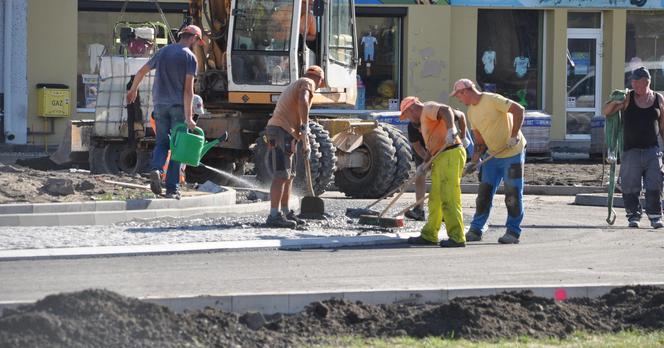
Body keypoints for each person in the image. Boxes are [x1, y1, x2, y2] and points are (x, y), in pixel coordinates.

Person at [127, 25, 203, 199]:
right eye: (197, 41)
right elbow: (188, 91)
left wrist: (133, 90)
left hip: (160, 105)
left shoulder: (163, 52)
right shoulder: (190, 57)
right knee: (178, 148)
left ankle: (156, 169)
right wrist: (189, 117)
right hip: (178, 107)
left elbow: (141, 71)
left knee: (161, 142)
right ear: (193, 39)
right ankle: (172, 189)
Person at [451, 78, 526, 244]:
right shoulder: (471, 112)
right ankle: (476, 230)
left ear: (466, 91)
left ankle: (513, 232)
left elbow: (519, 110)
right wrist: (474, 161)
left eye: (459, 95)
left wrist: (514, 136)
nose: (459, 99)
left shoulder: (492, 99)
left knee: (512, 194)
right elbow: (479, 141)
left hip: (512, 153)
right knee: (484, 194)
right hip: (492, 156)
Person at [400, 97, 467, 248]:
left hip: (450, 154)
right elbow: (431, 146)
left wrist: (452, 130)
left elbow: (446, 110)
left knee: (449, 197)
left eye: (407, 115)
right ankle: (429, 234)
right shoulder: (425, 122)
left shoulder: (427, 108)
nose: (409, 119)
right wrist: (424, 165)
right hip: (440, 156)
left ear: (411, 108)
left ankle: (457, 237)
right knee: (435, 199)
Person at [602, 66, 664, 229]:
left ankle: (655, 216)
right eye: (633, 81)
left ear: (647, 82)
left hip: (652, 150)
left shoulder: (658, 99)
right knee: (630, 185)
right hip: (631, 151)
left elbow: (663, 126)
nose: (634, 84)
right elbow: (607, 112)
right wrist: (616, 101)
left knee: (655, 184)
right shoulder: (627, 98)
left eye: (638, 81)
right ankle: (633, 216)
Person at [265, 65, 325, 228]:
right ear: (320, 80)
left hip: (284, 131)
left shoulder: (299, 82)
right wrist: (305, 125)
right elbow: (303, 100)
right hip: (281, 130)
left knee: (289, 175)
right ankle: (273, 215)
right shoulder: (307, 82)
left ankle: (284, 212)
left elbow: (295, 117)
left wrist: (304, 142)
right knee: (281, 175)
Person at [405, 109, 471, 221]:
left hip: (446, 147)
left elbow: (462, 116)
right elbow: (417, 146)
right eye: (419, 130)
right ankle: (419, 210)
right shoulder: (412, 126)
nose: (421, 131)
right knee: (420, 176)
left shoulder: (436, 115)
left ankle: (445, 212)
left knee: (445, 181)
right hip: (426, 150)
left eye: (422, 128)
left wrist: (463, 136)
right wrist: (426, 163)